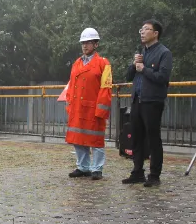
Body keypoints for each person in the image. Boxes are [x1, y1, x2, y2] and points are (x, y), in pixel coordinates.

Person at [123, 19, 173, 187]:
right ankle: (137, 172)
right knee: (136, 137)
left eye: (146, 29)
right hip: (137, 99)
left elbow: (163, 78)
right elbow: (129, 77)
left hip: (153, 101)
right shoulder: (141, 52)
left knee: (153, 138)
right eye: (141, 29)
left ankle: (154, 175)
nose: (142, 32)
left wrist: (144, 69)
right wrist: (134, 64)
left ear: (155, 33)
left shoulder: (164, 53)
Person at [65, 28, 113, 180]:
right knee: (78, 138)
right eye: (83, 43)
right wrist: (69, 105)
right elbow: (71, 85)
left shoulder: (103, 63)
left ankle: (97, 169)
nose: (85, 46)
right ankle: (83, 167)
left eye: (88, 43)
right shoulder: (76, 63)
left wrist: (101, 110)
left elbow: (106, 88)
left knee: (96, 140)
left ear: (96, 44)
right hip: (78, 108)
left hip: (93, 108)